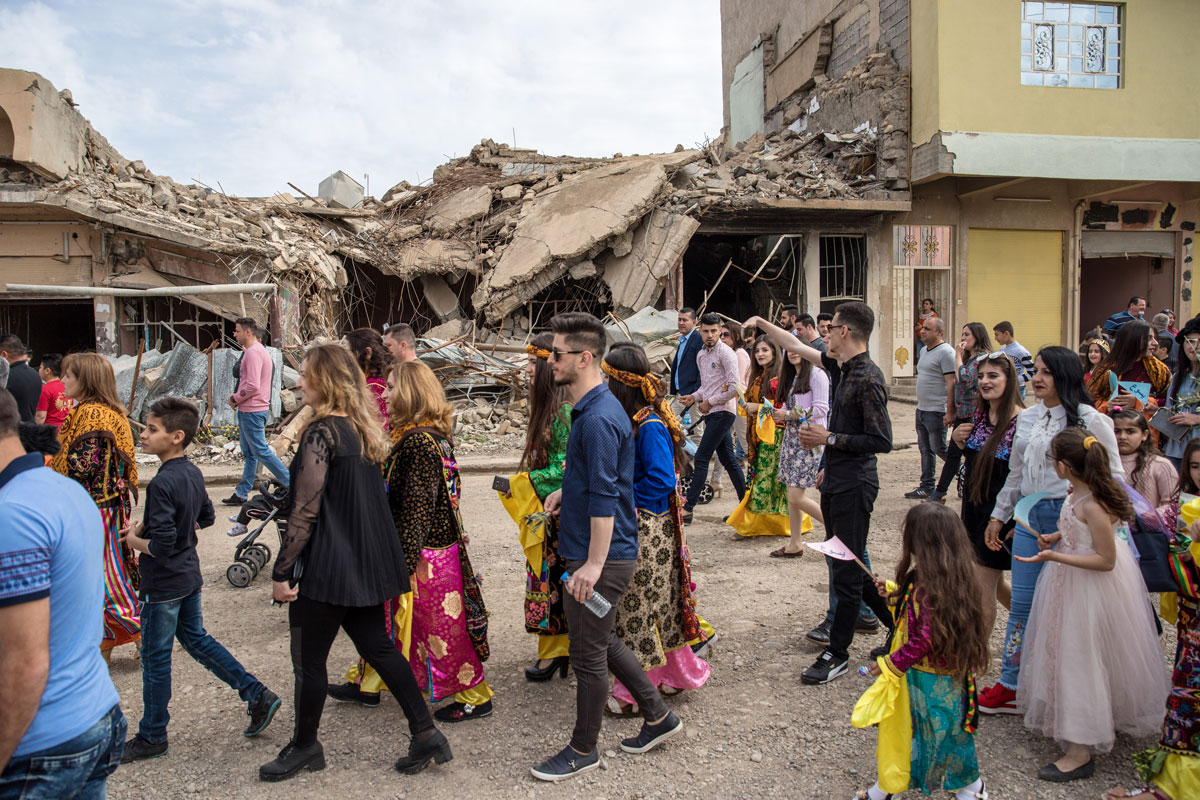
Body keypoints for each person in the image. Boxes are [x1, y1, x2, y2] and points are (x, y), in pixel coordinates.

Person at [261, 344, 450, 781]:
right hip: (362, 564)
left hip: (328, 567)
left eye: (305, 375)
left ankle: (305, 747)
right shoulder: (360, 429)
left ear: (325, 381)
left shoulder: (320, 433)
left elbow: (304, 510)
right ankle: (426, 733)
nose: (298, 382)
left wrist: (282, 571)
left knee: (310, 661)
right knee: (379, 648)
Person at [530, 312, 682, 782]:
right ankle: (658, 716)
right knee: (603, 639)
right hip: (601, 552)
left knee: (588, 654)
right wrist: (566, 491)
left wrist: (593, 564)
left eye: (557, 354)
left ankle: (583, 749)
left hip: (602, 557)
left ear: (584, 358)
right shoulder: (595, 408)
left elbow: (604, 495)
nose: (549, 361)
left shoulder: (597, 417)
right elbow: (601, 479)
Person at [118, 397, 280, 763]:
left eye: (151, 429)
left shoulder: (161, 483)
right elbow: (205, 517)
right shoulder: (191, 472)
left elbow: (162, 545)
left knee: (155, 659)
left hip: (162, 585)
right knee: (197, 641)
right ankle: (256, 693)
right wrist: (164, 529)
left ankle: (152, 734)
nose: (143, 435)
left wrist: (134, 540)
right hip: (188, 577)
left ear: (176, 436)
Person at [746, 302, 895, 685]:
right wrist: (762, 322)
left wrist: (829, 439)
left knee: (845, 569)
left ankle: (837, 652)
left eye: (830, 328)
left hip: (855, 484)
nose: (823, 334)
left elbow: (882, 440)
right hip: (836, 479)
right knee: (850, 562)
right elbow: (793, 343)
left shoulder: (868, 377)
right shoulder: (839, 366)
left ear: (845, 331)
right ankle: (897, 628)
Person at [1016, 427, 1168, 782]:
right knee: (1072, 652)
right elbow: (1078, 529)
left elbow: (1106, 560)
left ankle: (1080, 749)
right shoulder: (1078, 495)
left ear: (1065, 466)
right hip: (1072, 581)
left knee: (1081, 658)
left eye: (1054, 459)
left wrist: (1056, 555)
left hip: (1090, 587)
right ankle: (1093, 719)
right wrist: (1059, 536)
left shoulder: (1094, 504)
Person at [978, 346, 1124, 714]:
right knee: (1022, 605)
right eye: (1036, 371)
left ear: (1066, 375)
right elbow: (1016, 474)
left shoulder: (1091, 420)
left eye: (1047, 372)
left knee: (1067, 608)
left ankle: (1067, 689)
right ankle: (1011, 683)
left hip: (1072, 522)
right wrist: (999, 516)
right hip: (1028, 520)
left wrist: (1089, 516)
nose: (1038, 378)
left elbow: (1114, 476)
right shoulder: (1028, 418)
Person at [0, 389, 126, 799]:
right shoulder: (63, 490)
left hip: (38, 743)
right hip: (92, 710)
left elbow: (23, 662)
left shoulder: (12, 514)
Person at [600, 343, 711, 713]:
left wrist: (625, 502)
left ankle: (634, 693)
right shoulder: (636, 420)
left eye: (607, 377)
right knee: (655, 604)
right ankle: (670, 675)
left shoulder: (648, 426)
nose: (602, 383)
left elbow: (662, 479)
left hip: (647, 529)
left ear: (620, 383)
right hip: (645, 524)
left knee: (637, 607)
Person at [854, 503, 989, 800]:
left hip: (932, 680)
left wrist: (891, 663)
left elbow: (926, 637)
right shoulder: (945, 576)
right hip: (927, 676)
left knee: (942, 733)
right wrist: (894, 593)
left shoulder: (929, 587)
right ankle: (890, 785)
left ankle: (971, 786)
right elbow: (915, 617)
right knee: (911, 732)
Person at [385, 360, 493, 722]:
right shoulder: (432, 436)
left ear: (409, 393)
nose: (385, 394)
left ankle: (476, 696)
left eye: (391, 387)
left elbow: (417, 510)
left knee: (444, 634)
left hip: (427, 556)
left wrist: (402, 564)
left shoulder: (418, 443)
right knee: (432, 630)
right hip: (437, 550)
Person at [1106, 448, 1200, 800]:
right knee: (1186, 696)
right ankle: (1175, 783)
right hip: (1191, 624)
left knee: (1189, 698)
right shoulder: (1183, 508)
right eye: (1195, 466)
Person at [52, 353, 141, 662]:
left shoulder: (91, 414)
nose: (63, 380)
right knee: (105, 574)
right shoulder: (108, 411)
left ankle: (140, 634)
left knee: (105, 576)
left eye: (68, 375)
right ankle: (108, 644)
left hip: (94, 510)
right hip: (107, 507)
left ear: (85, 380)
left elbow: (83, 466)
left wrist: (49, 459)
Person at [498, 333, 572, 682]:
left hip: (557, 515)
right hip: (548, 513)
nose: (526, 369)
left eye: (532, 362)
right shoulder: (547, 408)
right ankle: (556, 649)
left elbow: (565, 470)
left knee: (552, 582)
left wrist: (521, 482)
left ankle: (556, 651)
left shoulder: (563, 412)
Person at [953, 352, 1023, 640]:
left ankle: (976, 654)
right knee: (992, 582)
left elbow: (1020, 477)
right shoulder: (980, 416)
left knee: (981, 587)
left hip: (999, 515)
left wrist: (1007, 519)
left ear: (1009, 380)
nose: (985, 381)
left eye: (993, 376)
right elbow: (973, 462)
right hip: (974, 510)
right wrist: (958, 441)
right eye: (981, 376)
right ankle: (1033, 625)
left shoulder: (1021, 421)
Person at [679, 313, 746, 522]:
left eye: (714, 331)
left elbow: (735, 388)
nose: (710, 335)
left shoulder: (726, 353)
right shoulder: (701, 355)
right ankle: (746, 506)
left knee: (701, 458)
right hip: (711, 413)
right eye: (706, 331)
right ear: (700, 331)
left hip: (723, 412)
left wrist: (710, 401)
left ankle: (688, 509)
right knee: (729, 460)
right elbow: (706, 387)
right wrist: (694, 397)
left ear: (719, 331)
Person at [726, 336, 790, 541]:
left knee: (764, 481)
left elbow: (783, 409)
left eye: (765, 350)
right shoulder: (758, 376)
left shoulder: (778, 378)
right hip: (759, 435)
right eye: (757, 351)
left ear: (774, 353)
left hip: (773, 436)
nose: (760, 354)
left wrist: (758, 407)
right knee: (760, 479)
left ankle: (751, 526)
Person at [224, 317, 290, 506]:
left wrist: (235, 398)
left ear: (248, 332)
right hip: (252, 409)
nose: (234, 334)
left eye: (237, 331)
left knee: (260, 451)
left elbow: (252, 385)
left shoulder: (253, 353)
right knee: (251, 453)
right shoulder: (256, 351)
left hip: (252, 409)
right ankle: (242, 493)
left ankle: (291, 483)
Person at [770, 343, 829, 554]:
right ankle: (795, 543)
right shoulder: (791, 376)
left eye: (797, 348)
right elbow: (791, 405)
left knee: (796, 496)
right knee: (791, 494)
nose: (793, 353)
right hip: (791, 439)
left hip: (809, 439)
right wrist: (780, 413)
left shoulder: (817, 374)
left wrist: (788, 414)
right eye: (789, 349)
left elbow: (821, 408)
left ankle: (839, 531)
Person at [929, 323, 993, 504]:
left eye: (967, 334)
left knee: (970, 453)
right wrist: (952, 411)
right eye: (962, 334)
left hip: (975, 414)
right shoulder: (970, 358)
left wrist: (957, 355)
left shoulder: (982, 359)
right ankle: (941, 492)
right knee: (954, 454)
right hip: (963, 413)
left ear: (978, 336)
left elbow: (964, 380)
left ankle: (949, 491)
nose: (963, 338)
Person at [906, 316, 955, 499]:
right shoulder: (924, 351)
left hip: (937, 410)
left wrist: (950, 411)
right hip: (922, 409)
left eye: (927, 329)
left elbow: (951, 383)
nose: (922, 331)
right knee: (925, 449)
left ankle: (964, 471)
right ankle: (926, 486)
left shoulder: (946, 353)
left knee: (939, 447)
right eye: (922, 328)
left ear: (939, 332)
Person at [1089, 320, 1171, 412]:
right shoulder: (1105, 369)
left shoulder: (1159, 370)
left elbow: (1169, 402)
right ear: (1132, 340)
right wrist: (1106, 407)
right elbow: (1089, 402)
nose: (1155, 343)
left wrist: (1138, 402)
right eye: (1149, 338)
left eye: (1155, 338)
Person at [1112, 408, 1177, 515]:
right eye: (1117, 431)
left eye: (1130, 432)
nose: (1122, 437)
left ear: (1144, 435)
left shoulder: (1160, 465)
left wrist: (1143, 518)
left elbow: (1172, 505)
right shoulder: (1102, 463)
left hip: (1150, 524)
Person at [710, 321, 750, 497]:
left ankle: (754, 482)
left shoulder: (739, 354)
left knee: (746, 444)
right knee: (723, 445)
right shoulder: (728, 354)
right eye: (722, 334)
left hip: (739, 403)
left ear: (736, 336)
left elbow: (737, 384)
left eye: (726, 334)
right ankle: (716, 480)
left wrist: (723, 390)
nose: (723, 338)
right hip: (729, 403)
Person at [1165, 318, 1200, 469]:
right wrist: (1156, 411)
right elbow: (1171, 410)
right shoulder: (1178, 377)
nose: (1194, 346)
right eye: (1190, 341)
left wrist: (1196, 419)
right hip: (1176, 450)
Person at [346, 327, 394, 423]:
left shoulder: (374, 386)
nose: (346, 359)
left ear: (368, 353)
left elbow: (380, 425)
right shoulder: (373, 380)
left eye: (349, 353)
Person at [0, 335, 39, 422]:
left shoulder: (6, 377)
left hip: (10, 428)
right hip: (30, 426)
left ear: (4, 355)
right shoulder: (35, 374)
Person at [991, 321, 1033, 395]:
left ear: (1006, 333)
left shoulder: (1021, 351)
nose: (995, 338)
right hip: (1004, 388)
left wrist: (1014, 379)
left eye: (997, 335)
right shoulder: (1001, 351)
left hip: (1017, 389)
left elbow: (1032, 373)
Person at [34, 353, 71, 427]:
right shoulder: (67, 386)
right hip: (65, 428)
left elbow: (40, 417)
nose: (39, 370)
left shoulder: (45, 389)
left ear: (47, 370)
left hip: (50, 430)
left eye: (40, 368)